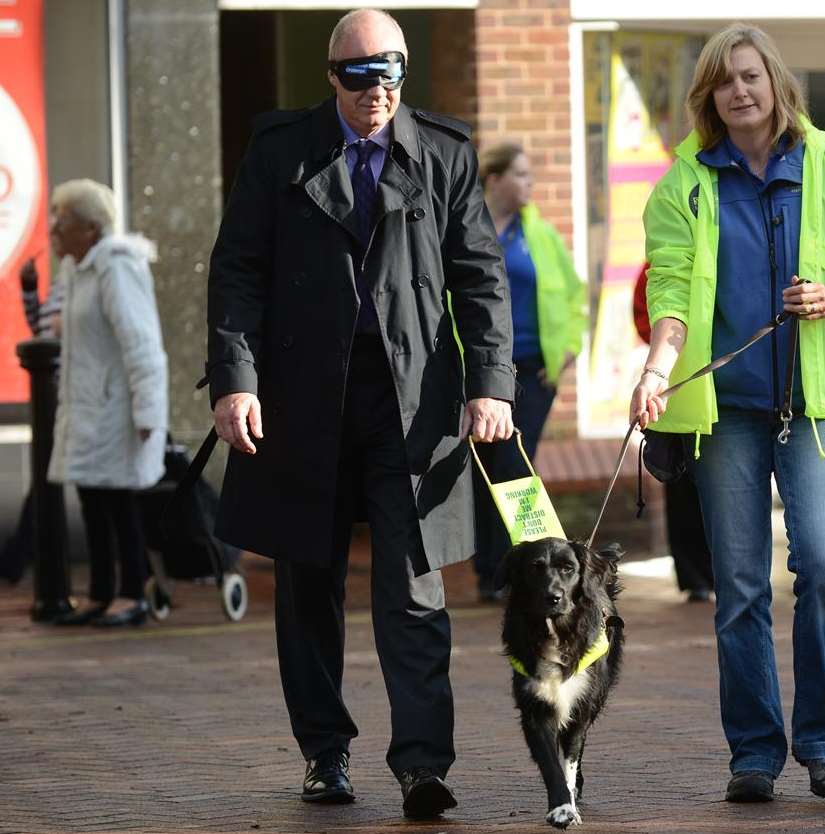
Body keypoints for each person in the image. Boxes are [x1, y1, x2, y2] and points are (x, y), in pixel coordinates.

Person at [205, 8, 513, 819]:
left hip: (410, 404)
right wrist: (235, 380)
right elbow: (237, 269)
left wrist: (492, 385)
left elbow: (480, 276)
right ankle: (324, 753)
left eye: (388, 72)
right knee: (308, 583)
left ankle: (421, 765)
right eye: (355, 75)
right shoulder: (280, 151)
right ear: (329, 77)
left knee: (414, 589)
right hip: (301, 400)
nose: (373, 90)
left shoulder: (443, 151)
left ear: (403, 73)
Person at [632, 23, 825, 804]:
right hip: (725, 415)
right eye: (722, 81)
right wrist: (655, 369)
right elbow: (669, 295)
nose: (739, 91)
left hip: (814, 407)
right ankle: (752, 752)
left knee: (824, 562)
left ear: (775, 82)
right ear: (707, 97)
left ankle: (823, 742)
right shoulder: (684, 186)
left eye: (749, 76)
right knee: (739, 586)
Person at [44, 179, 168, 627]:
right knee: (93, 499)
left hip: (116, 410)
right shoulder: (77, 269)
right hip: (86, 409)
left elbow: (142, 344)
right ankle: (99, 594)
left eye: (63, 222)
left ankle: (132, 593)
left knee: (121, 504)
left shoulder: (116, 266)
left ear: (92, 229)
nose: (53, 230)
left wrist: (148, 412)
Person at [470, 142, 586, 601]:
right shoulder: (467, 226)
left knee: (516, 468)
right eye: (519, 174)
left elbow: (572, 292)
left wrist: (569, 349)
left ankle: (518, 572)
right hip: (481, 369)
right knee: (485, 470)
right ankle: (490, 572)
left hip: (534, 370)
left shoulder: (536, 232)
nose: (529, 184)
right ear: (493, 180)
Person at [632, 263, 713, 602]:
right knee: (681, 487)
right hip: (679, 388)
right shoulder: (660, 264)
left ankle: (718, 574)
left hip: (724, 389)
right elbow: (643, 315)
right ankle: (695, 578)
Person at [0, 257, 65, 585]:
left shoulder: (86, 274)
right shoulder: (66, 275)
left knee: (56, 482)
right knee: (48, 481)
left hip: (73, 401)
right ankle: (18, 557)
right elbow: (42, 331)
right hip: (57, 399)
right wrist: (29, 289)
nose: (55, 231)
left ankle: (18, 558)